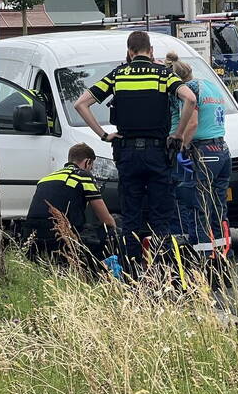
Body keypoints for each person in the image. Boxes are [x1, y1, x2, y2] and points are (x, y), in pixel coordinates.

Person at [73, 31, 197, 272]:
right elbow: (190, 99)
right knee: (161, 218)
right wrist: (179, 134)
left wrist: (103, 134)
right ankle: (163, 273)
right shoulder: (163, 74)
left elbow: (81, 104)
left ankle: (132, 275)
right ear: (150, 52)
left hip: (127, 154)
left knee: (131, 217)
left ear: (129, 52)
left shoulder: (117, 75)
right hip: (158, 153)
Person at [165, 52, 232, 261]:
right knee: (218, 207)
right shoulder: (209, 85)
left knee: (198, 207)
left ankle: (204, 259)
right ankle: (223, 256)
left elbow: (192, 123)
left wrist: (181, 147)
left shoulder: (189, 91)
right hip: (222, 150)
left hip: (202, 151)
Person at [25, 143, 116, 266]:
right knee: (109, 233)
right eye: (91, 166)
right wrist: (115, 228)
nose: (91, 170)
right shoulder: (83, 175)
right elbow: (106, 220)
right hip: (60, 236)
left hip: (31, 235)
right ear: (87, 162)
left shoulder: (46, 178)